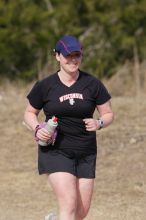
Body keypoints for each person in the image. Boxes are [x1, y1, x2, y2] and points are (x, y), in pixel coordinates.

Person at [24, 35, 114, 220]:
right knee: (69, 204)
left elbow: (108, 114)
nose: (73, 60)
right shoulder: (46, 85)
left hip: (85, 152)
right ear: (57, 56)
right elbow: (29, 113)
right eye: (68, 56)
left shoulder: (92, 84)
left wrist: (99, 123)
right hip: (55, 150)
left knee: (81, 211)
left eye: (77, 55)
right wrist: (37, 128)